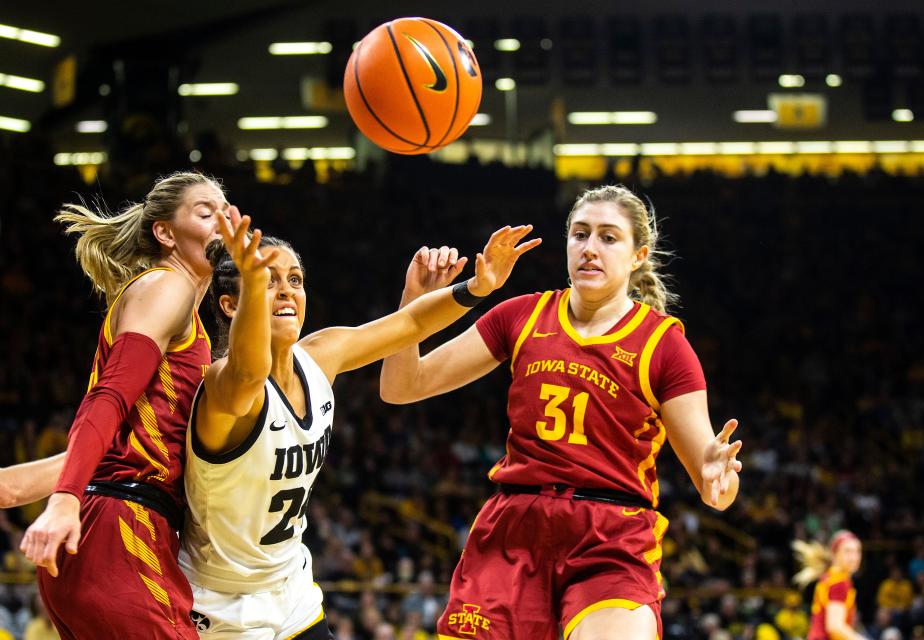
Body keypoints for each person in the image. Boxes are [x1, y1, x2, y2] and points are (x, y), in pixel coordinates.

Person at [379, 184, 744, 640]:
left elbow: (715, 489)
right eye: (580, 234)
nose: (590, 248)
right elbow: (401, 386)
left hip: (610, 535)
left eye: (609, 238)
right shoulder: (521, 316)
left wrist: (719, 479)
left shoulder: (663, 344)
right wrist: (413, 305)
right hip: (515, 527)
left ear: (638, 255)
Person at [179, 212, 539, 638]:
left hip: (289, 587)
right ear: (230, 304)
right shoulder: (223, 385)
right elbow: (248, 373)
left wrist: (477, 288)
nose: (286, 291)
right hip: (223, 605)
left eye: (295, 279)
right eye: (267, 280)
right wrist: (255, 288)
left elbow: (409, 324)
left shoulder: (320, 356)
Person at [18, 171, 230, 639]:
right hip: (121, 531)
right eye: (205, 211)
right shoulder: (167, 288)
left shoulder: (185, 313)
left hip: (102, 531)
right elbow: (108, 397)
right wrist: (63, 500)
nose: (223, 219)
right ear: (165, 233)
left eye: (226, 209)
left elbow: (104, 448)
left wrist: (22, 491)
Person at [793, 530, 868, 640]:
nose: (854, 557)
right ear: (834, 554)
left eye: (857, 551)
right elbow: (835, 627)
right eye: (848, 551)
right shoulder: (839, 582)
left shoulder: (829, 577)